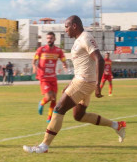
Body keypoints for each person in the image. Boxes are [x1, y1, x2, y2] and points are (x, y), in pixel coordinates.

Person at [23, 15, 126, 154]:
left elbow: (99, 60)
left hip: (84, 82)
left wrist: (97, 85)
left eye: (66, 27)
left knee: (59, 108)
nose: (65, 30)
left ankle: (44, 146)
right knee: (79, 116)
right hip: (81, 81)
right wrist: (71, 83)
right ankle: (117, 125)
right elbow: (84, 65)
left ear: (74, 26)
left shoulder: (85, 38)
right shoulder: (80, 39)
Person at [32, 32, 67, 123]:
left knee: (54, 99)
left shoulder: (58, 51)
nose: (49, 40)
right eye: (47, 38)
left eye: (51, 38)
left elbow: (63, 59)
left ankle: (49, 117)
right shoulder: (41, 50)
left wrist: (64, 65)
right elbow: (34, 60)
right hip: (43, 77)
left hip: (53, 77)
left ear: (54, 39)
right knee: (48, 97)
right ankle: (42, 103)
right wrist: (34, 66)